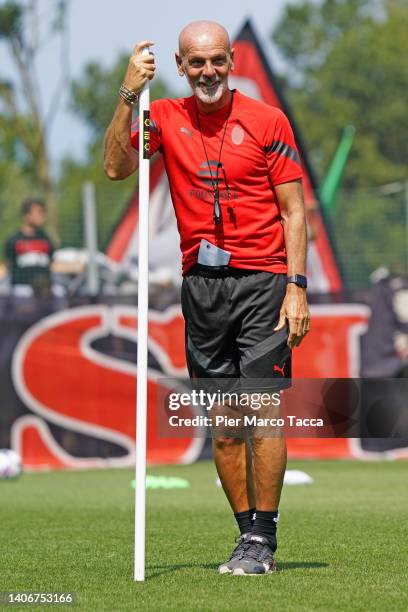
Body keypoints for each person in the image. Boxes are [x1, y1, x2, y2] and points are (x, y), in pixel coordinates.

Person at [104, 20, 310, 576]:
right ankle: (247, 537)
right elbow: (116, 167)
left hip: (265, 280)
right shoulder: (165, 118)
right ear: (179, 66)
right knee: (223, 423)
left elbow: (294, 212)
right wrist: (128, 92)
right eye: (196, 63)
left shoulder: (267, 120)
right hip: (201, 286)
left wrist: (297, 286)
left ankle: (263, 537)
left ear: (232, 60)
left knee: (262, 409)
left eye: (217, 60)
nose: (208, 72)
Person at [5, 198, 55, 297]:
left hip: (45, 291)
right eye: (39, 212)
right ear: (27, 216)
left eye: (43, 212)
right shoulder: (13, 240)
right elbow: (7, 266)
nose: (42, 216)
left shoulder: (46, 238)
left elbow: (53, 263)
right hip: (22, 290)